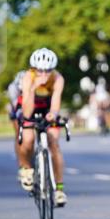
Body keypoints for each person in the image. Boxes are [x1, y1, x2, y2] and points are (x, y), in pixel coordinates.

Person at [16, 48, 68, 207]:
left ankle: (59, 189)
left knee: (54, 143)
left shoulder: (58, 78)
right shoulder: (28, 77)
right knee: (28, 139)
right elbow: (27, 111)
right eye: (40, 71)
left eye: (47, 71)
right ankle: (26, 169)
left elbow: (56, 102)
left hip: (47, 108)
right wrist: (33, 88)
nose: (44, 75)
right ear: (34, 69)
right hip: (30, 106)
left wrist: (52, 114)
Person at [6, 69, 26, 165]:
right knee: (19, 133)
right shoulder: (13, 88)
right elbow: (15, 104)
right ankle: (20, 159)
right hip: (16, 108)